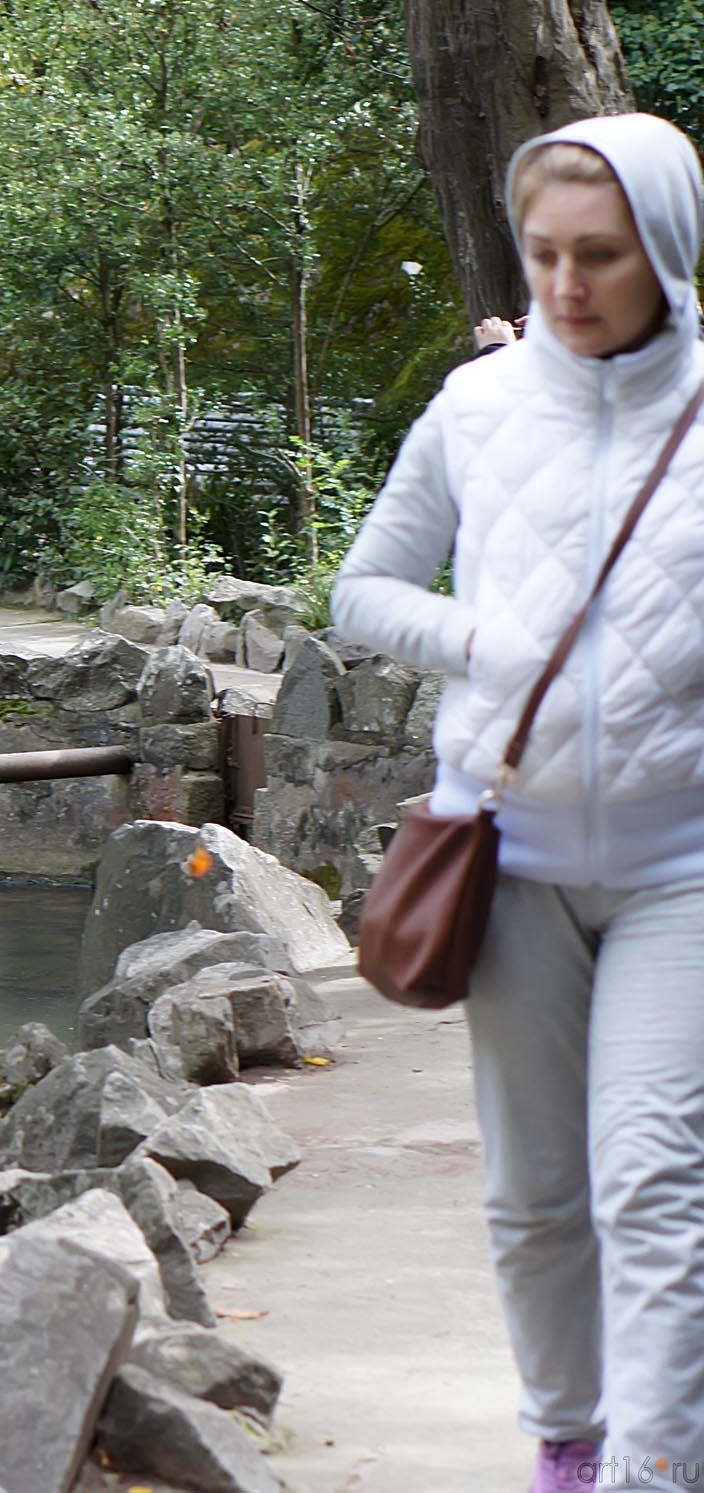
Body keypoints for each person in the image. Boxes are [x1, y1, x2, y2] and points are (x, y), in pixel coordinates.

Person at [331, 113, 704, 1493]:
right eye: (543, 253)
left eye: (599, 254)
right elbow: (364, 590)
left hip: (686, 867)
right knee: (537, 1195)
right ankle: (570, 1439)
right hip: (511, 864)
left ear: (666, 248)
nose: (565, 283)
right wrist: (479, 638)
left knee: (654, 1186)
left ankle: (656, 1470)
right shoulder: (477, 410)